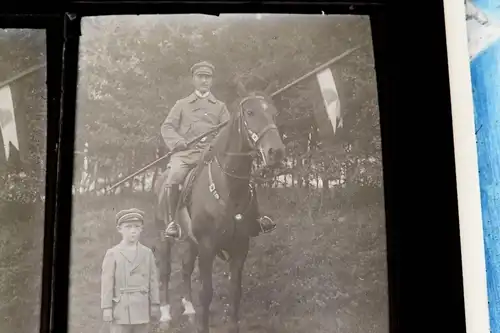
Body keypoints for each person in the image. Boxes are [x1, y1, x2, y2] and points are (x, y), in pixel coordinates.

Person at [161, 60, 276, 239]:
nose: (204, 81)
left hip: (210, 153)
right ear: (193, 79)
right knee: (175, 175)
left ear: (211, 81)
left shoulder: (220, 106)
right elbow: (167, 127)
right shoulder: (182, 104)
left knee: (241, 175)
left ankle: (256, 217)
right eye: (200, 77)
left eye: (207, 77)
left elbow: (228, 131)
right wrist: (178, 142)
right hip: (185, 154)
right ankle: (172, 223)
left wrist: (214, 144)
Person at [101, 208, 160, 333]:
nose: (133, 231)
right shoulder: (113, 253)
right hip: (121, 309)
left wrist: (155, 303)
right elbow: (107, 283)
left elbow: (153, 280)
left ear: (141, 229)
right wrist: (107, 307)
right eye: (128, 227)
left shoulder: (147, 253)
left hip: (142, 308)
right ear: (119, 229)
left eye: (137, 227)